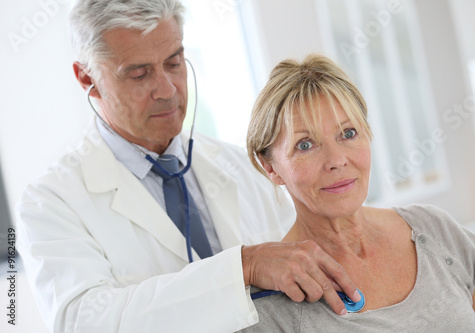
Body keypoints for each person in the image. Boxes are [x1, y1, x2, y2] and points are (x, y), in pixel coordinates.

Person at [15, 1, 361, 332]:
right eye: (139, 74)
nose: (166, 89)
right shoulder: (50, 203)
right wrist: (243, 266)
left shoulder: (240, 166)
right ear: (86, 78)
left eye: (174, 62)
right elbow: (83, 323)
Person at [241, 54, 475, 332]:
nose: (336, 160)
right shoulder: (269, 306)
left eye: (348, 133)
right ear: (270, 166)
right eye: (305, 145)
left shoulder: (435, 229)